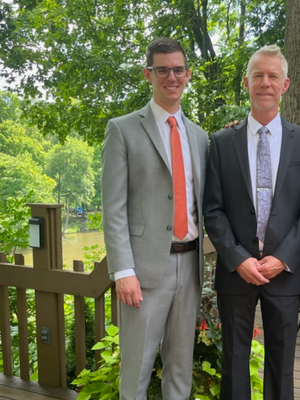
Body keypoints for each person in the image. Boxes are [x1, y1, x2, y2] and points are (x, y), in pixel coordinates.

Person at [203, 45, 300, 400]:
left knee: (282, 362)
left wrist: (283, 257)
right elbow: (213, 209)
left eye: (273, 76)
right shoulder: (222, 143)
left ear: (285, 85)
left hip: (282, 272)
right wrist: (237, 258)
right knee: (234, 360)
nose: (265, 82)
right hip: (235, 271)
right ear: (246, 83)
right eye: (258, 76)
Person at [101, 37, 207, 400]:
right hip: (143, 274)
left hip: (190, 267)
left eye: (178, 69)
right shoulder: (123, 129)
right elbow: (113, 208)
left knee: (180, 367)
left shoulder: (200, 137)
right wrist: (123, 270)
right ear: (148, 74)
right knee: (137, 369)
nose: (171, 77)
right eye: (162, 70)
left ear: (188, 74)